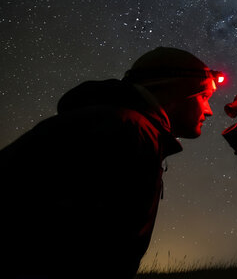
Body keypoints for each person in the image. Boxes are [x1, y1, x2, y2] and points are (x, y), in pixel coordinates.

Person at [0, 47, 222, 279]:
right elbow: (94, 246)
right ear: (176, 91)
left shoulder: (114, 122)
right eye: (204, 97)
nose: (209, 111)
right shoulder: (128, 131)